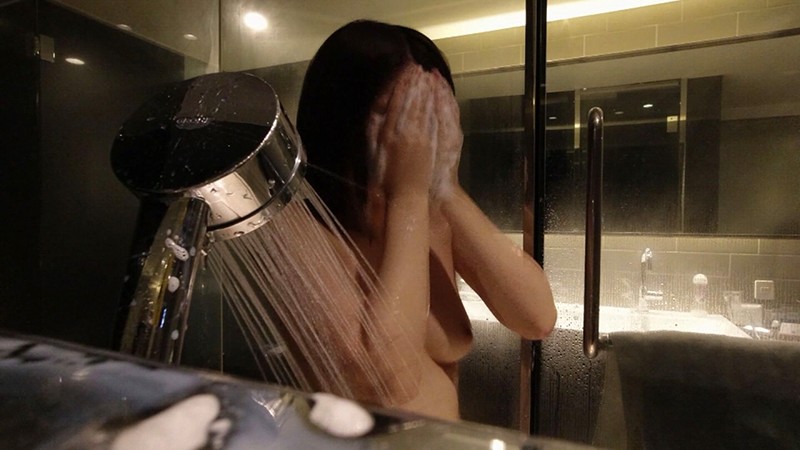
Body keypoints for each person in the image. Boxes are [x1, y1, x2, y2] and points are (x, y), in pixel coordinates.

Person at [295, 19, 556, 421]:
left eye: (433, 113)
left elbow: (536, 317)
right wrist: (410, 195)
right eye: (399, 114)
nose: (418, 135)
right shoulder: (300, 224)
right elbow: (386, 381)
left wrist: (445, 189)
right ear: (341, 119)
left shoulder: (431, 215)